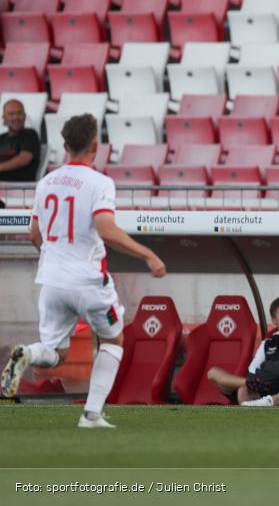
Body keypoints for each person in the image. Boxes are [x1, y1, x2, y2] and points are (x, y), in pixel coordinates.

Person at [0, 114, 167, 428]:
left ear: (64, 146)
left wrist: (55, 259)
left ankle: (27, 353)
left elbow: (34, 234)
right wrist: (148, 254)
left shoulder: (46, 182)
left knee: (54, 353)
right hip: (88, 279)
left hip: (51, 279)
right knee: (113, 340)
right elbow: (106, 229)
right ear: (96, 145)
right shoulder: (100, 182)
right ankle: (91, 414)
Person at [207, 296, 279, 404]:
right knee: (213, 373)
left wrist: (266, 365)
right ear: (274, 320)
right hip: (262, 389)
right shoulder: (268, 342)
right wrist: (254, 381)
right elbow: (252, 373)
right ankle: (248, 387)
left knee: (243, 391)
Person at [0, 99, 41, 182]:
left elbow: (24, 159)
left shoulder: (30, 134)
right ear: (4, 118)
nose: (16, 117)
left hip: (20, 189)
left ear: (25, 116)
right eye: (11, 114)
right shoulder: (1, 138)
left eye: (19, 113)